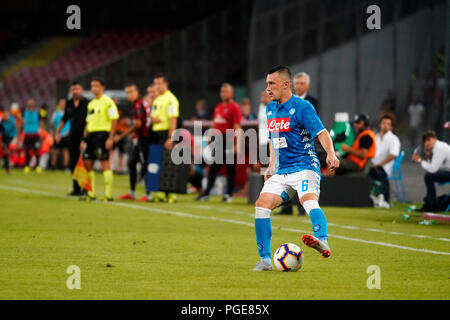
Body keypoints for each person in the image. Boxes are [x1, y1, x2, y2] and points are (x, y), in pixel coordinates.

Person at [252, 65, 339, 271]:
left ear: (285, 84)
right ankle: (265, 260)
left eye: (271, 83)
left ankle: (322, 240)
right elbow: (275, 139)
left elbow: (322, 132)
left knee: (307, 200)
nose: (268, 88)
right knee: (261, 206)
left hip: (304, 166)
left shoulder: (303, 107)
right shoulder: (270, 108)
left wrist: (331, 153)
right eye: (267, 83)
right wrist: (271, 165)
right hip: (282, 170)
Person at [280, 72, 321, 215]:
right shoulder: (285, 101)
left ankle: (303, 207)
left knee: (302, 175)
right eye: (297, 83)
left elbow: (315, 124)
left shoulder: (312, 103)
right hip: (286, 144)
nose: (298, 86)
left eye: (302, 83)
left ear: (307, 86)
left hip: (303, 144)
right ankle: (287, 207)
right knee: (286, 174)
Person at [197, 83, 242, 203]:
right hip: (218, 139)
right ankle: (206, 193)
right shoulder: (218, 107)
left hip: (229, 138)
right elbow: (214, 123)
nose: (224, 94)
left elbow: (237, 126)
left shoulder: (235, 107)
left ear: (231, 93)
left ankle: (228, 194)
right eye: (222, 91)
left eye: (226, 91)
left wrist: (237, 144)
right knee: (214, 167)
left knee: (230, 168)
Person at [79, 77, 119, 202]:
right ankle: (91, 193)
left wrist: (110, 137)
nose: (94, 88)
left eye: (96, 85)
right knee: (88, 163)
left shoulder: (108, 102)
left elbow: (114, 120)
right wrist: (83, 139)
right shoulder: (91, 104)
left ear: (102, 87)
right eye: (92, 86)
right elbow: (87, 122)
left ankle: (108, 194)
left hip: (102, 135)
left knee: (104, 163)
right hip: (90, 135)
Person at [118, 84, 153, 202]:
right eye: (127, 93)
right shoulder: (138, 104)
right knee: (132, 163)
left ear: (137, 92)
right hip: (140, 138)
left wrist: (121, 136)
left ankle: (148, 195)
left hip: (144, 139)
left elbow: (137, 125)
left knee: (145, 165)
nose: (129, 95)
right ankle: (132, 192)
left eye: (132, 92)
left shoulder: (138, 105)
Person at [150, 74, 180, 203]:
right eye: (155, 83)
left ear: (165, 84)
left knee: (168, 163)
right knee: (157, 163)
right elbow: (151, 117)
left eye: (159, 83)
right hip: (156, 133)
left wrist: (170, 137)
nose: (157, 86)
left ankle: (171, 193)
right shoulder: (157, 100)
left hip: (165, 133)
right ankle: (160, 192)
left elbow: (173, 119)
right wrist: (152, 120)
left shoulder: (171, 99)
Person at [56, 82, 89, 196]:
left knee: (84, 162)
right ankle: (76, 188)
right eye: (73, 89)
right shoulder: (69, 103)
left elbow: (89, 121)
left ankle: (85, 188)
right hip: (72, 136)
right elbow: (64, 118)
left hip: (84, 137)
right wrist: (58, 132)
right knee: (73, 162)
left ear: (82, 90)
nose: (75, 91)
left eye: (77, 89)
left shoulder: (87, 103)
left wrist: (85, 138)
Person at [412, 130, 450, 212]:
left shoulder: (439, 148)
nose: (426, 143)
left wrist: (419, 160)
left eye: (429, 140)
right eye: (425, 141)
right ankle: (430, 204)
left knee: (428, 177)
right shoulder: (437, 147)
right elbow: (435, 167)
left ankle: (432, 205)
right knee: (429, 176)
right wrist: (429, 157)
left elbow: (433, 169)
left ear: (435, 139)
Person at [369, 114, 401, 208]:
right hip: (373, 166)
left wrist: (379, 164)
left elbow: (393, 155)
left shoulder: (394, 139)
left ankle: (384, 199)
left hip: (385, 168)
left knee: (372, 173)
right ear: (380, 124)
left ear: (391, 126)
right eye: (383, 123)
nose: (385, 125)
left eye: (388, 124)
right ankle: (375, 197)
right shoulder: (375, 137)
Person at [23, 98, 44, 173]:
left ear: (34, 103)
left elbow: (41, 122)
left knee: (37, 151)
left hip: (35, 135)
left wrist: (41, 132)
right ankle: (26, 166)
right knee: (27, 151)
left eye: (32, 102)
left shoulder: (38, 112)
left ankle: (37, 166)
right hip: (27, 134)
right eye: (29, 102)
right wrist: (19, 133)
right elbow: (21, 123)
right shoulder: (24, 112)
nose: (30, 104)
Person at [51, 98, 70, 169]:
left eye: (64, 103)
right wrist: (54, 135)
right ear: (59, 104)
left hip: (66, 135)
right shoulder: (55, 114)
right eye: (61, 103)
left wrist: (68, 132)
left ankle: (65, 167)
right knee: (54, 151)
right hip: (57, 135)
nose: (62, 104)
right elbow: (52, 125)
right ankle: (53, 166)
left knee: (65, 151)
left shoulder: (68, 113)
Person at [0, 109, 17, 174]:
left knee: (7, 152)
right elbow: (1, 133)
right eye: (4, 115)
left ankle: (8, 167)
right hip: (4, 139)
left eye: (7, 115)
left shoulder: (12, 122)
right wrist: (1, 142)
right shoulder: (2, 123)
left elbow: (15, 132)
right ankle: (7, 168)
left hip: (11, 138)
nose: (5, 116)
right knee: (5, 153)